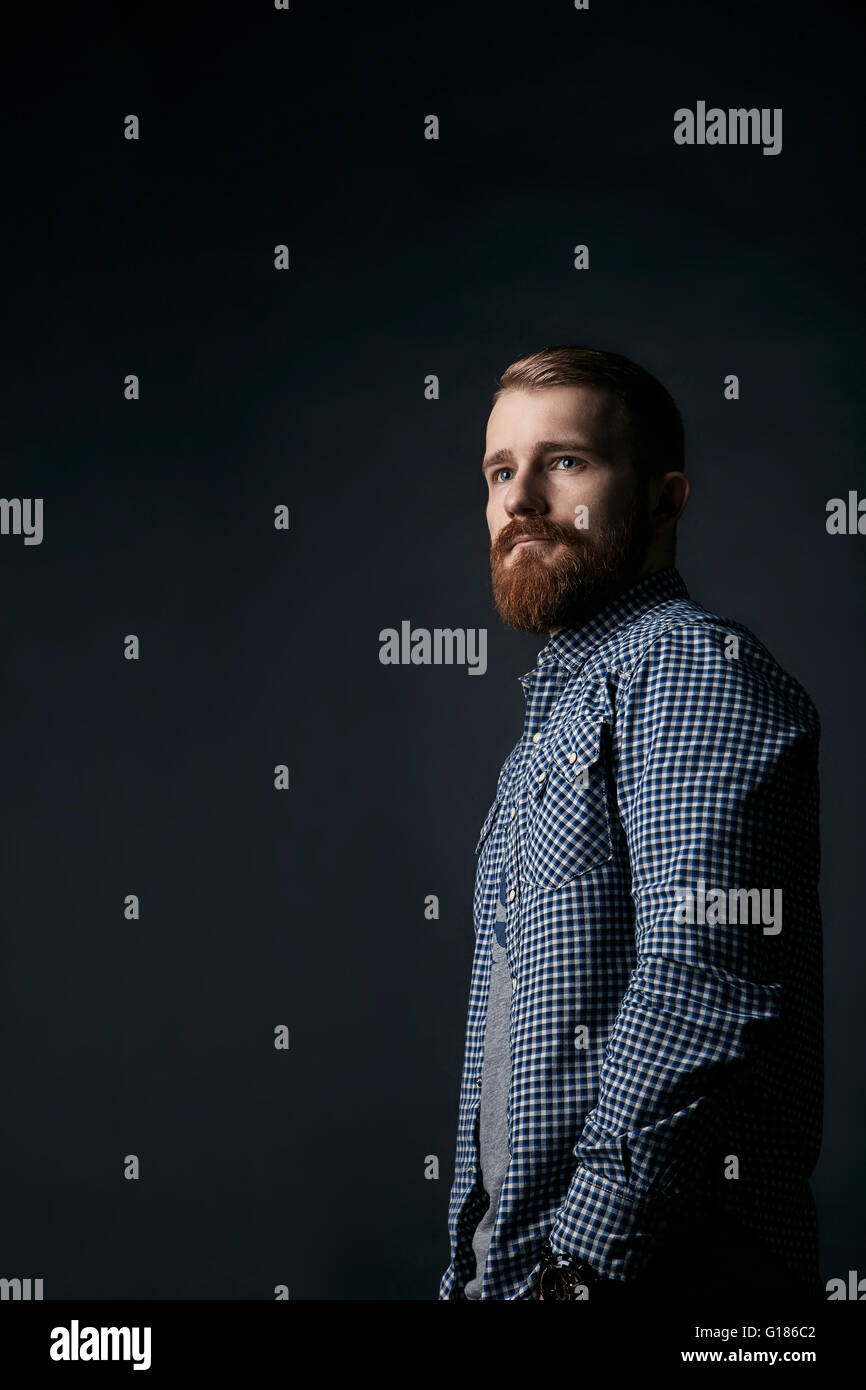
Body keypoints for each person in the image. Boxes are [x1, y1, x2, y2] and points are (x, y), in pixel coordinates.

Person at [438, 345, 824, 1302]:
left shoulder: (692, 671)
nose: (519, 497)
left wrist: (575, 1272)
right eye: (498, 471)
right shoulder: (550, 727)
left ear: (665, 501)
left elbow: (705, 984)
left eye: (564, 461)